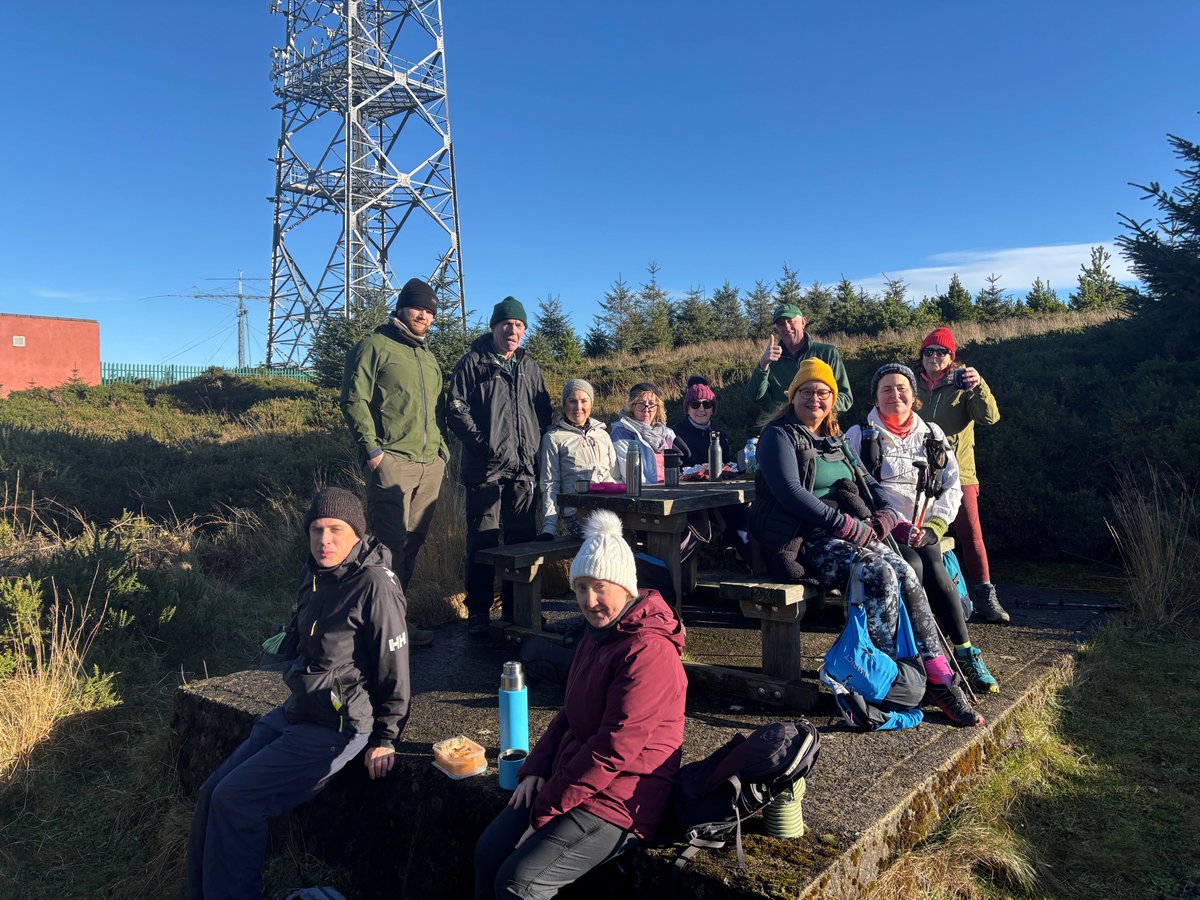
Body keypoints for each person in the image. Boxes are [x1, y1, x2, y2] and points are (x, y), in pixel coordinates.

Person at [186, 488, 411, 899]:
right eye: (316, 530)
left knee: (237, 803)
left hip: (338, 726)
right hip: (298, 710)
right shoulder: (314, 575)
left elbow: (394, 667)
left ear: (357, 535)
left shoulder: (375, 585)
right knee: (211, 795)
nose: (324, 541)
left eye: (335, 531)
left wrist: (387, 736)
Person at [748, 358, 983, 727]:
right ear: (793, 396)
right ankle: (883, 682)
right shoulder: (779, 435)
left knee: (904, 570)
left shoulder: (836, 439)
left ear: (833, 398)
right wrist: (843, 523)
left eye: (823, 392)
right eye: (806, 391)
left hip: (848, 532)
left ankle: (939, 678)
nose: (815, 398)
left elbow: (870, 486)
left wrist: (888, 512)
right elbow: (790, 493)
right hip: (804, 538)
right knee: (878, 574)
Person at [473, 509, 687, 899]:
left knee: (518, 883)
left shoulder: (649, 651)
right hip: (577, 776)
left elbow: (614, 750)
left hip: (624, 799)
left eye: (599, 587)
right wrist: (537, 767)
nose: (589, 601)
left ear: (625, 587)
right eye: (580, 588)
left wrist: (546, 809)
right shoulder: (598, 634)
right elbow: (571, 712)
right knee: (489, 851)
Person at [846, 363, 1000, 695]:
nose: (894, 395)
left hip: (923, 525)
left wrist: (936, 524)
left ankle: (965, 652)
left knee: (933, 563)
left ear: (914, 395)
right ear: (875, 396)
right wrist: (892, 524)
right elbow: (859, 488)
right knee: (912, 568)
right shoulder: (858, 435)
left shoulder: (932, 433)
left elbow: (952, 484)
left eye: (901, 389)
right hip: (883, 528)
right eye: (886, 389)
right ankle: (922, 659)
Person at [341, 276, 447, 646]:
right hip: (393, 462)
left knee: (413, 543)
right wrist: (373, 452)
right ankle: (379, 629)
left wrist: (441, 453)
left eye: (430, 311)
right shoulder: (375, 345)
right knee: (387, 548)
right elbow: (354, 400)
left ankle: (397, 625)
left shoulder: (428, 357)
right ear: (402, 306)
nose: (424, 315)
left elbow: (436, 410)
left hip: (428, 465)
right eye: (418, 307)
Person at [448, 297, 554, 636]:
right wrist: (483, 444)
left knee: (521, 541)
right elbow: (454, 409)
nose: (513, 330)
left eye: (519, 326)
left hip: (524, 471)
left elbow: (543, 409)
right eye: (507, 324)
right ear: (494, 327)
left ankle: (516, 609)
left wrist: (538, 448)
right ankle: (479, 612)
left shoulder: (529, 366)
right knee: (483, 541)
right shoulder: (473, 364)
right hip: (486, 471)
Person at [914, 327, 1010, 624]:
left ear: (951, 357)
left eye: (941, 352)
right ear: (922, 356)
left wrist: (979, 385)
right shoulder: (910, 383)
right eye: (929, 351)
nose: (934, 357)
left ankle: (985, 597)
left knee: (971, 535)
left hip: (960, 473)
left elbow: (989, 418)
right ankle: (924, 600)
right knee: (918, 533)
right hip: (916, 472)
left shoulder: (964, 382)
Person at [670, 375, 751, 561]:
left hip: (719, 491)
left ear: (712, 409)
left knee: (745, 514)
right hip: (690, 497)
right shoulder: (675, 433)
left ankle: (748, 558)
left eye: (706, 405)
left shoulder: (719, 434)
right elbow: (677, 470)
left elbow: (728, 463)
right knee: (734, 519)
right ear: (687, 408)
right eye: (695, 404)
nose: (701, 409)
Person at [537, 378, 617, 540]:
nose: (578, 407)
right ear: (564, 404)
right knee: (601, 542)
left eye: (584, 401)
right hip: (578, 513)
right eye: (572, 401)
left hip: (610, 508)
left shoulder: (602, 434)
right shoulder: (553, 437)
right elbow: (550, 483)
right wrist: (549, 527)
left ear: (591, 404)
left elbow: (615, 476)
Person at [747, 303, 853, 414]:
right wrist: (763, 365)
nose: (787, 327)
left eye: (791, 321)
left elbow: (846, 398)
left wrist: (816, 407)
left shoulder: (828, 353)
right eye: (781, 324)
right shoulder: (771, 361)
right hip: (783, 427)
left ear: (803, 322)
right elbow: (754, 397)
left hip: (820, 427)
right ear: (776, 330)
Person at [610, 382, 689, 485]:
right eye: (640, 404)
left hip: (669, 489)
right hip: (644, 494)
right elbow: (633, 478)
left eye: (651, 404)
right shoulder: (621, 434)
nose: (646, 410)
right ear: (632, 407)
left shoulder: (665, 433)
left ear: (657, 407)